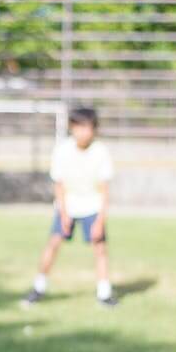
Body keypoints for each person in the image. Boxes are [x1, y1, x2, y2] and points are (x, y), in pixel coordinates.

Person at [21, 107, 118, 308]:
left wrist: (100, 220)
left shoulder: (101, 152)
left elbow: (104, 190)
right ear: (71, 128)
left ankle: (104, 293)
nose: (83, 132)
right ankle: (38, 288)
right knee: (53, 244)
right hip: (68, 206)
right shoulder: (62, 150)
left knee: (100, 249)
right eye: (79, 127)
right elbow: (60, 185)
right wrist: (63, 213)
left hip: (92, 206)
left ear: (94, 129)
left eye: (87, 127)